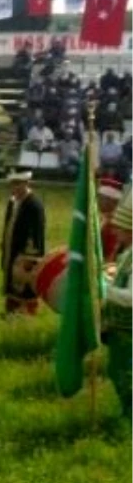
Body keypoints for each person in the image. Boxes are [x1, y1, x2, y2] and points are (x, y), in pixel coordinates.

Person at [101, 189, 133, 418]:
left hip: (129, 331)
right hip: (119, 329)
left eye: (121, 229)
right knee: (116, 372)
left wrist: (106, 291)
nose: (117, 233)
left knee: (126, 375)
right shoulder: (128, 253)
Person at [1, 170, 45, 316]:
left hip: (26, 255)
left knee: (25, 285)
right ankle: (11, 311)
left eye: (18, 184)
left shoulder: (34, 205)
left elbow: (36, 234)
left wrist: (29, 258)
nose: (14, 188)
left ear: (26, 183)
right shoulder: (13, 202)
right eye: (12, 184)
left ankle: (27, 313)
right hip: (11, 249)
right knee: (11, 282)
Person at [100, 176, 124, 263]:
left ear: (111, 201)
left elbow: (112, 252)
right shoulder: (103, 218)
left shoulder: (114, 223)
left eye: (101, 198)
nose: (98, 201)